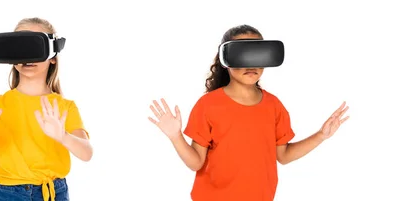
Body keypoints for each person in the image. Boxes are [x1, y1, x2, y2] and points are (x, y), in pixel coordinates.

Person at [147, 25, 350, 201]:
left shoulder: (274, 105)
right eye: (243, 55)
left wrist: (321, 136)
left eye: (257, 54)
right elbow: (196, 163)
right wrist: (175, 136)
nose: (251, 64)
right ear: (226, 59)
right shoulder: (208, 105)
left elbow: (284, 156)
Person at [0, 17, 93, 201]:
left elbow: (87, 153)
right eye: (20, 48)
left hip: (52, 194)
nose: (27, 56)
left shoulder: (65, 107)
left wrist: (63, 137)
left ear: (52, 57)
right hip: (7, 195)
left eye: (33, 46)